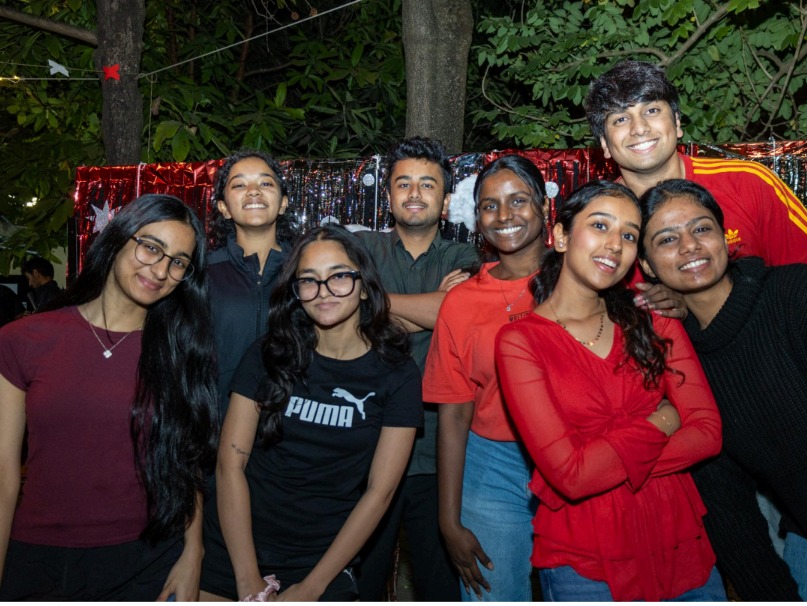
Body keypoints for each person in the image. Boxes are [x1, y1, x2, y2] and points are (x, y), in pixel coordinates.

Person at [637, 179, 807, 602]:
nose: (688, 246)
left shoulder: (805, 296)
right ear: (647, 266)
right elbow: (725, 507)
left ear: (725, 237)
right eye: (667, 239)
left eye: (701, 229)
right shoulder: (679, 363)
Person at [495, 181, 724, 601]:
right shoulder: (520, 341)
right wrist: (664, 419)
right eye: (600, 225)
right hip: (585, 556)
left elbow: (708, 432)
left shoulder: (652, 317)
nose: (615, 244)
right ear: (561, 236)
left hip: (678, 540)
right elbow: (571, 476)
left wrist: (602, 462)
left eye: (629, 235)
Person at [0, 194, 218, 601]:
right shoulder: (24, 339)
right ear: (118, 238)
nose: (160, 269)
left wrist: (194, 551)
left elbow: (184, 461)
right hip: (39, 557)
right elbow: (3, 475)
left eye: (178, 262)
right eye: (151, 247)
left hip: (147, 559)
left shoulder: (180, 351)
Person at [199, 225, 421, 601]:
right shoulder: (268, 354)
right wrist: (247, 579)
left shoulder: (397, 373)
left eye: (339, 277)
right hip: (235, 549)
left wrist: (314, 586)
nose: (324, 291)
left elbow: (379, 493)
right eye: (309, 280)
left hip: (323, 558)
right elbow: (229, 466)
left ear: (364, 285)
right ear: (296, 292)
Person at [584, 59, 807, 317]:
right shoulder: (597, 222)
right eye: (621, 118)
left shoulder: (749, 183)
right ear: (604, 142)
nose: (639, 128)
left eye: (651, 111)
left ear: (677, 123)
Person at [354, 136, 480, 601]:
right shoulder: (361, 247)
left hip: (438, 456)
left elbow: (459, 314)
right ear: (387, 195)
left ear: (445, 200)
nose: (414, 192)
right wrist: (434, 309)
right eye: (403, 183)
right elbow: (339, 308)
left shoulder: (462, 257)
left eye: (427, 184)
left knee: (439, 585)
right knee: (359, 585)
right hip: (362, 447)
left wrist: (372, 301)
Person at [423, 155, 546, 601]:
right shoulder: (461, 303)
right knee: (493, 592)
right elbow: (453, 417)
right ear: (477, 219)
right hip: (493, 464)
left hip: (582, 457)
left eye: (518, 200)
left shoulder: (581, 277)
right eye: (490, 206)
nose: (505, 215)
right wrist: (449, 521)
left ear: (544, 208)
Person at [206, 150, 292, 417]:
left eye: (265, 183)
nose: (254, 191)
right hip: (215, 425)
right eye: (240, 184)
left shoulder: (307, 272)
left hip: (291, 431)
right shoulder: (201, 272)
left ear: (283, 204)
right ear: (224, 208)